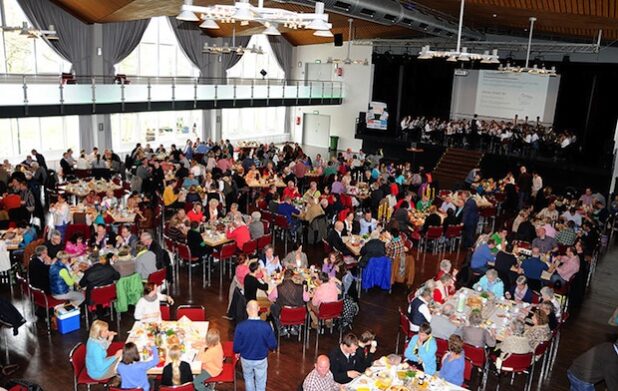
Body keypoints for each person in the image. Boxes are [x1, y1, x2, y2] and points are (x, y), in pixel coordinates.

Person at [234, 300, 277, 391]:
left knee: (248, 378)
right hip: (261, 358)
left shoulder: (240, 326)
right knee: (261, 381)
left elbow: (236, 347)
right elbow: (273, 344)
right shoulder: (266, 326)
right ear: (258, 309)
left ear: (247, 310)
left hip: (246, 358)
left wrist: (238, 352)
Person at [268, 268, 309, 335]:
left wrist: (277, 300)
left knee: (272, 307)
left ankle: (281, 326)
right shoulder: (301, 287)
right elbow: (307, 299)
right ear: (293, 277)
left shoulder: (278, 288)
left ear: (284, 276)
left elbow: (270, 298)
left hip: (283, 313)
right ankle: (295, 326)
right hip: (297, 314)